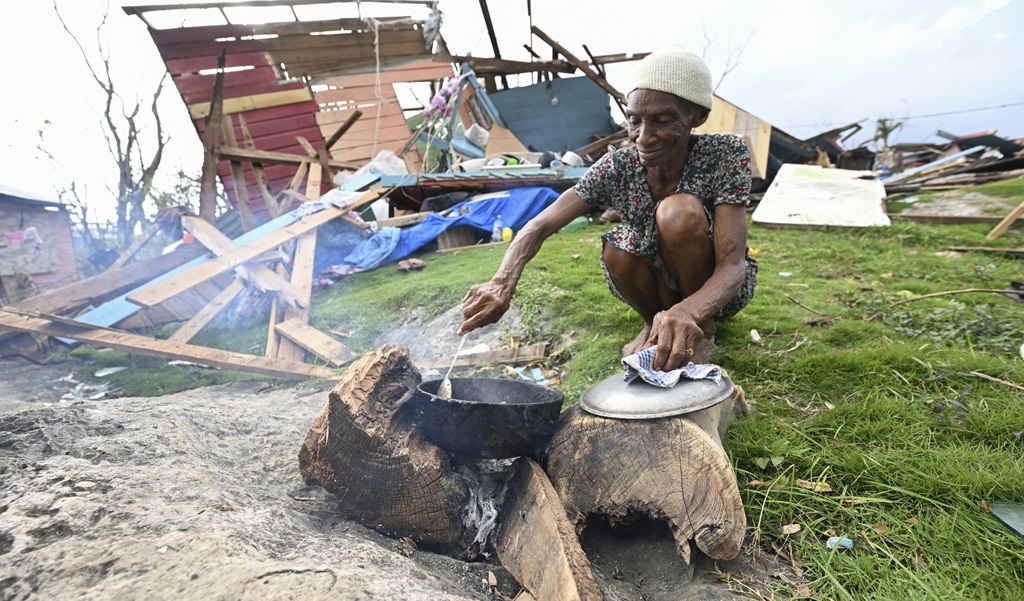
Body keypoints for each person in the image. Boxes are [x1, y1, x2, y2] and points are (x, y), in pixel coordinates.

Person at [458, 50, 757, 372]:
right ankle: (651, 323)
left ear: (697, 117)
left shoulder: (724, 154)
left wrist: (691, 311)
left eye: (662, 120)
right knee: (617, 246)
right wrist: (502, 282)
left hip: (716, 287)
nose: (643, 137)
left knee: (677, 212)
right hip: (655, 279)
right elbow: (539, 225)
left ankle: (703, 328)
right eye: (634, 120)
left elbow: (732, 265)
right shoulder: (618, 165)